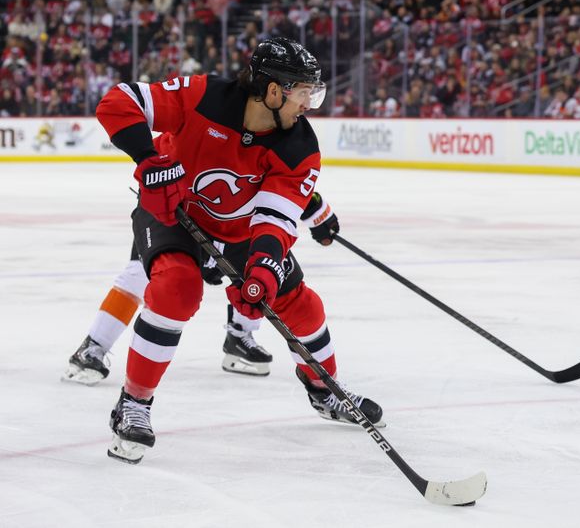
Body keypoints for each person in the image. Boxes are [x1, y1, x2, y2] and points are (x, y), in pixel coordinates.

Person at [94, 37, 383, 464]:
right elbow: (118, 102)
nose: (310, 104)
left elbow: (276, 219)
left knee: (301, 305)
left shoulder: (300, 145)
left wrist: (264, 273)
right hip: (173, 212)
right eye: (304, 92)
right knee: (177, 287)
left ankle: (326, 390)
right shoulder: (203, 96)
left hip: (241, 228)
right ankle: (134, 403)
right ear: (272, 90)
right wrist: (148, 159)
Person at [62, 242, 274, 386]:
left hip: (225, 211)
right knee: (140, 273)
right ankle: (93, 345)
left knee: (255, 270)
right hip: (169, 210)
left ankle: (239, 336)